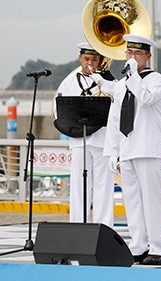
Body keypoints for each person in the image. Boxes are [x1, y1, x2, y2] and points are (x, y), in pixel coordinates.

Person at [104, 34, 161, 265]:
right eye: (129, 53)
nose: (132, 57)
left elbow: (146, 98)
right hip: (128, 147)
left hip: (148, 148)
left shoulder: (155, 80)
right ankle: (138, 244)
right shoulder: (122, 85)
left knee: (151, 200)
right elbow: (114, 118)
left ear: (148, 57)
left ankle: (158, 248)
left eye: (138, 54)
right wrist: (112, 150)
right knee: (132, 200)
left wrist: (132, 77)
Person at [55, 42, 114, 226]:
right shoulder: (69, 82)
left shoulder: (108, 82)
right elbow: (61, 111)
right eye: (86, 58)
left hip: (102, 139)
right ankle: (77, 226)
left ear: (100, 60)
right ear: (80, 58)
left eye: (94, 59)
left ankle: (104, 227)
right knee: (79, 187)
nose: (90, 63)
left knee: (103, 187)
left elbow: (117, 108)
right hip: (79, 140)